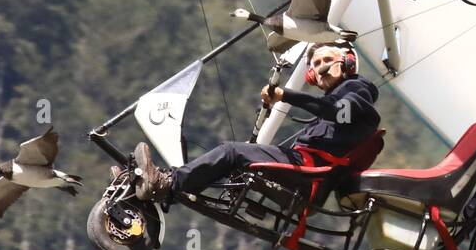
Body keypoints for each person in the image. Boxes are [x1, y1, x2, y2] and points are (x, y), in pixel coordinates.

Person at [133, 43, 379, 205]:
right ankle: (166, 187)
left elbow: (337, 110)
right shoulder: (332, 106)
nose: (321, 67)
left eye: (326, 59)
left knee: (231, 151)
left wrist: (286, 95)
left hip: (309, 177)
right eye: (315, 64)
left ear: (347, 63)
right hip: (306, 177)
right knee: (235, 158)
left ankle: (168, 183)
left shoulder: (357, 89)